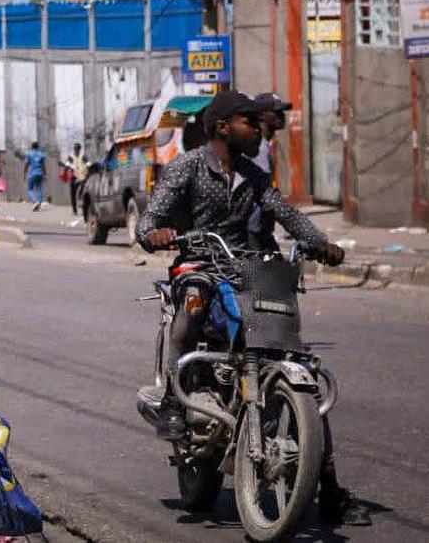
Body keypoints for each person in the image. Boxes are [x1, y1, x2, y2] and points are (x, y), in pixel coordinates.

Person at [135, 90, 368, 527]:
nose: (258, 129)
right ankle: (173, 395)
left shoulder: (253, 176)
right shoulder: (186, 167)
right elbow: (149, 219)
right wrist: (156, 233)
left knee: (294, 359)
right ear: (224, 127)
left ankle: (331, 489)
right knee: (193, 300)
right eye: (248, 122)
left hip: (248, 270)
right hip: (200, 262)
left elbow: (285, 213)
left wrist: (320, 243)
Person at [252, 92, 290, 178]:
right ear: (261, 114)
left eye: (281, 111)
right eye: (276, 111)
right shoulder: (259, 147)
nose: (282, 115)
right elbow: (263, 188)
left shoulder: (262, 143)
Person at [61, 142, 88, 216]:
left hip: (82, 177)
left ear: (79, 149)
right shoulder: (71, 157)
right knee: (73, 194)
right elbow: (67, 166)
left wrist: (86, 172)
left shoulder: (83, 156)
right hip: (74, 177)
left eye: (77, 149)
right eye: (76, 149)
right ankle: (74, 210)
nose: (76, 151)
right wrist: (65, 172)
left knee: (82, 193)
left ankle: (82, 207)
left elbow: (88, 165)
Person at [23, 141, 47, 210]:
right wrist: (45, 174)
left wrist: (24, 173)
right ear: (38, 146)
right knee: (39, 189)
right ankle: (39, 204)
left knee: (30, 189)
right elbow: (43, 165)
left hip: (32, 173)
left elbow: (26, 164)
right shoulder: (41, 154)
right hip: (40, 173)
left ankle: (34, 201)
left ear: (31, 146)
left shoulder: (29, 154)